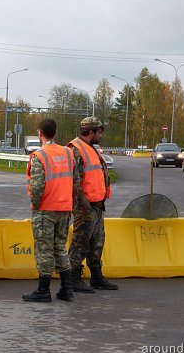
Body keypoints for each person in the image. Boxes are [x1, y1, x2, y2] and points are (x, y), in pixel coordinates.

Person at [22, 118, 76, 302]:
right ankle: (67, 289)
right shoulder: (68, 153)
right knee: (60, 247)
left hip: (45, 210)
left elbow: (37, 187)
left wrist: (36, 207)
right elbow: (75, 181)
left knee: (44, 249)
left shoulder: (40, 156)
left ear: (40, 133)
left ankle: (43, 291)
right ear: (56, 132)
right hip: (64, 208)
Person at [67, 116, 119, 292]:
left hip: (97, 205)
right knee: (80, 242)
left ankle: (96, 277)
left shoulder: (90, 148)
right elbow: (75, 183)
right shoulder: (77, 150)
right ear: (90, 131)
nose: (101, 135)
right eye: (99, 132)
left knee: (97, 242)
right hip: (85, 207)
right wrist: (84, 209)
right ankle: (73, 278)